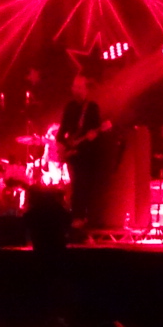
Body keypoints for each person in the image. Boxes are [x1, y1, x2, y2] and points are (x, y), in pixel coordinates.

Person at [57, 75, 112, 228]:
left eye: (80, 87)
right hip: (72, 153)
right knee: (75, 185)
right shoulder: (69, 107)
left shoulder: (92, 108)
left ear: (86, 89)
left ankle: (81, 217)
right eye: (75, 87)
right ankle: (75, 216)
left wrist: (95, 135)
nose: (77, 90)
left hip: (87, 154)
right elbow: (61, 132)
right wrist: (63, 145)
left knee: (83, 184)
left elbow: (98, 131)